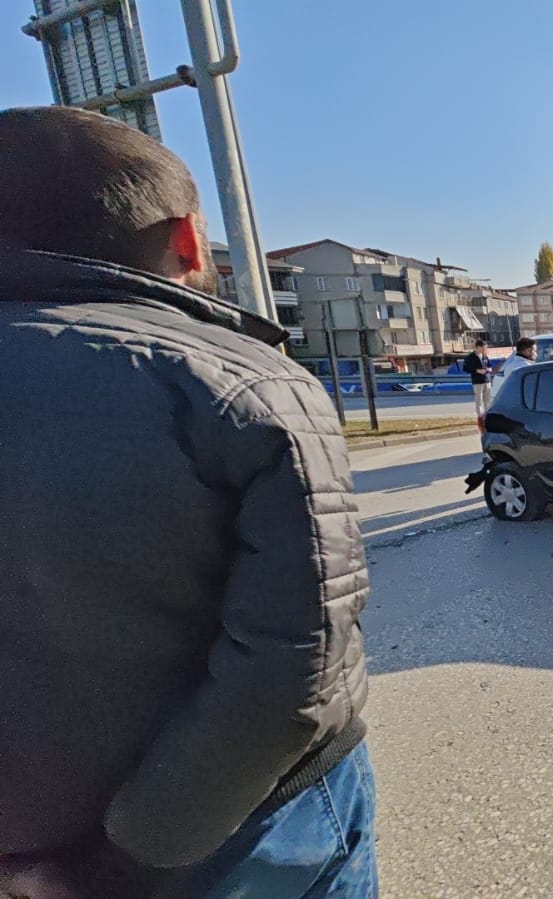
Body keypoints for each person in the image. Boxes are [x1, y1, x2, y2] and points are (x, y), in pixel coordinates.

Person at [0, 107, 374, 898]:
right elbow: (289, 674)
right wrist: (124, 856)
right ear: (188, 240)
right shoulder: (245, 385)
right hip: (243, 834)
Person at [463, 338, 492, 415]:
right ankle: (480, 417)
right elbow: (465, 368)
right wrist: (476, 370)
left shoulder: (484, 355)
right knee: (479, 400)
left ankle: (487, 416)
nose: (484, 349)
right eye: (483, 348)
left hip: (487, 380)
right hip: (477, 382)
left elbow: (489, 365)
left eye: (485, 348)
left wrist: (489, 369)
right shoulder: (470, 357)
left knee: (488, 400)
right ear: (477, 347)